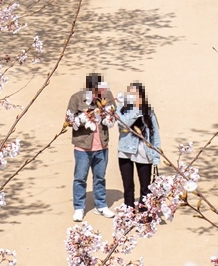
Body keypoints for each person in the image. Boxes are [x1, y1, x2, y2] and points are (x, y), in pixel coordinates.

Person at [65, 72, 116, 221]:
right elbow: (69, 121)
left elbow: (113, 117)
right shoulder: (76, 98)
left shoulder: (108, 96)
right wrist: (85, 117)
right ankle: (79, 208)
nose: (98, 94)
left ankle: (101, 205)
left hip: (102, 145)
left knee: (100, 177)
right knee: (80, 178)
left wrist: (107, 114)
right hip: (83, 147)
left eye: (100, 90)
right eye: (95, 91)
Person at [116, 81, 160, 209]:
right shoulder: (122, 109)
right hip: (125, 151)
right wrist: (136, 111)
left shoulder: (149, 112)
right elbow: (123, 124)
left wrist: (156, 157)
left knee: (145, 187)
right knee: (128, 186)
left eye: (135, 94)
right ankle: (128, 212)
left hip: (144, 152)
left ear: (141, 96)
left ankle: (144, 214)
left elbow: (155, 135)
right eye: (130, 93)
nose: (132, 96)